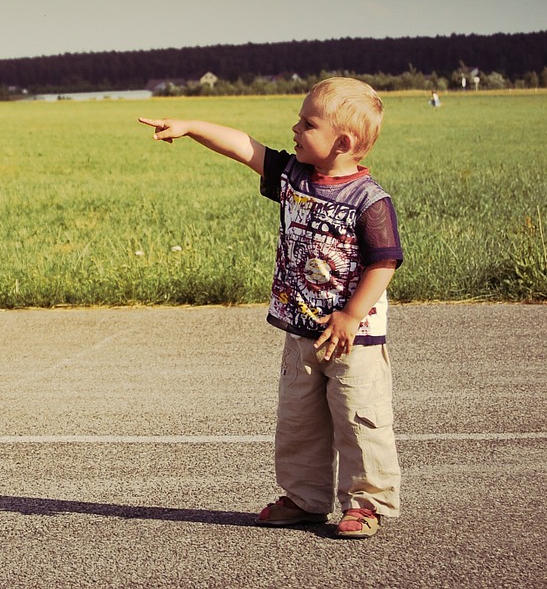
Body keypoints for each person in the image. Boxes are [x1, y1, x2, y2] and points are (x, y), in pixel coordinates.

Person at [138, 77, 403, 539]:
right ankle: (305, 499)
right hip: (301, 330)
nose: (295, 128)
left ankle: (367, 503)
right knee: (298, 421)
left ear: (342, 142)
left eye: (307, 123)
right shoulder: (291, 177)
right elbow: (244, 147)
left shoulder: (369, 201)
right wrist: (190, 125)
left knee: (360, 419)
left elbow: (384, 263)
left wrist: (351, 314)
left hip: (352, 337)